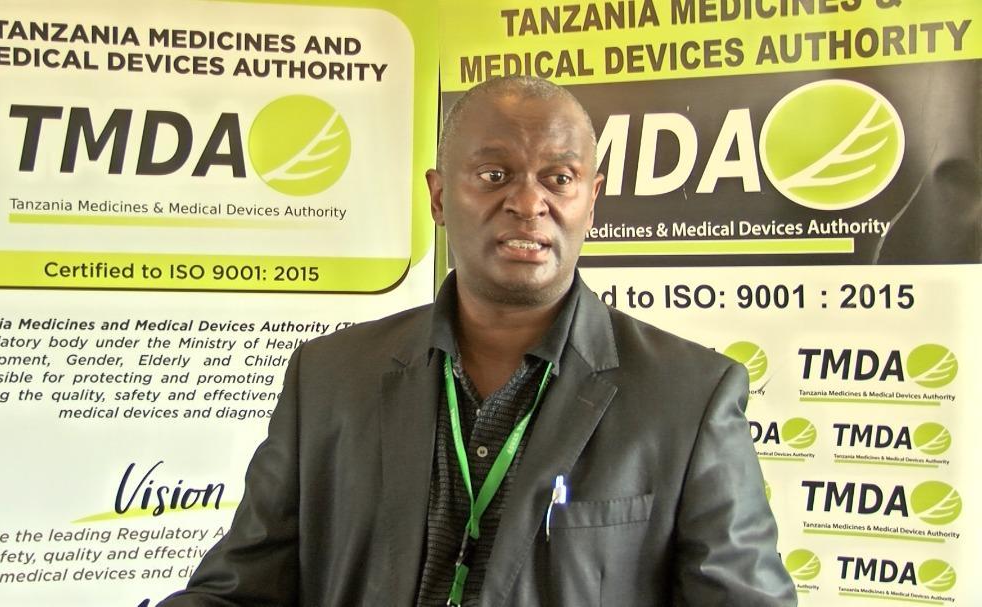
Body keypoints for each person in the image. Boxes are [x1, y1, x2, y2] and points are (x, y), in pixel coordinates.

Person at [159, 76, 797, 606]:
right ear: (439, 198)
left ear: (592, 200)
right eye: (494, 174)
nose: (529, 202)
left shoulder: (689, 396)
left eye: (560, 178)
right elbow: (240, 590)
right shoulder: (328, 377)